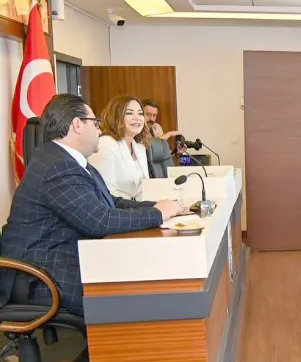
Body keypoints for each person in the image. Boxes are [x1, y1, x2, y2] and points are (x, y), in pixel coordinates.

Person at [0, 95, 184, 316]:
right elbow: (100, 221)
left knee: (144, 272)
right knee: (138, 288)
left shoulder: (70, 160)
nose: (100, 129)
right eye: (95, 123)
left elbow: (110, 202)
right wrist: (157, 214)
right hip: (41, 275)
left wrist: (160, 206)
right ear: (77, 125)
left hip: (60, 259)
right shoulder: (57, 166)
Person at [87, 95, 151, 200]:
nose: (137, 118)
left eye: (140, 113)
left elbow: (144, 189)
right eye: (129, 113)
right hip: (116, 208)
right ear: (116, 117)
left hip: (139, 206)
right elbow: (107, 194)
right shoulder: (105, 144)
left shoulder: (139, 146)